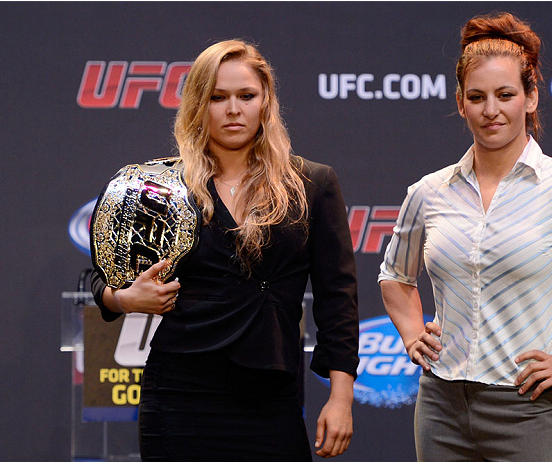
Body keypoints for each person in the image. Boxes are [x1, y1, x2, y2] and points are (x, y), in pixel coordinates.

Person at [378, 12, 552, 462]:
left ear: (530, 98)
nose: (491, 110)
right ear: (460, 103)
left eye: (505, 94)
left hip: (527, 412)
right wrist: (413, 334)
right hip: (440, 409)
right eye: (477, 97)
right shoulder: (429, 192)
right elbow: (394, 275)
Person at [91, 39, 359, 461]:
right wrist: (124, 298)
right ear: (199, 104)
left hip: (270, 397)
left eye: (246, 96)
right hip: (179, 395)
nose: (233, 109)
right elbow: (101, 278)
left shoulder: (312, 184)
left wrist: (341, 396)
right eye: (218, 97)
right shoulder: (160, 188)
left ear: (265, 102)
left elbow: (337, 298)